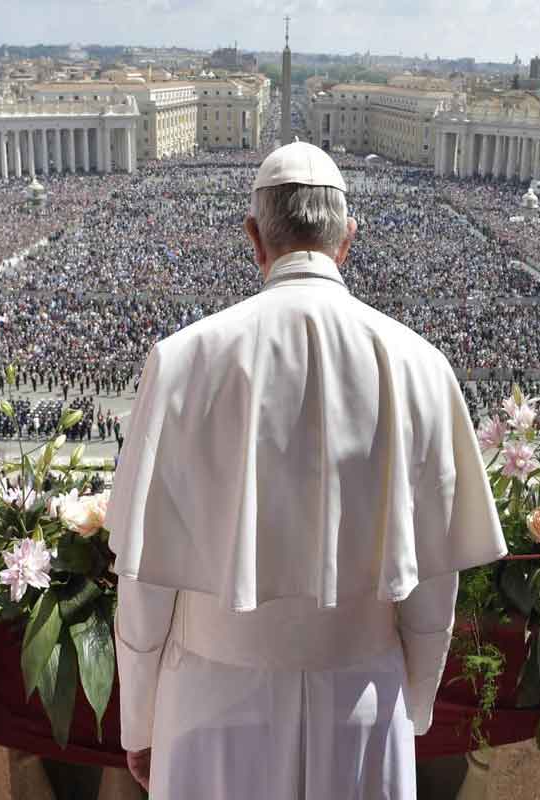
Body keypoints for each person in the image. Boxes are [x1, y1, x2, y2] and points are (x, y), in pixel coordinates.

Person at [107, 142, 506, 799]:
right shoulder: (422, 365)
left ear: (254, 238)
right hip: (362, 697)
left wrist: (140, 721)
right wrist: (414, 706)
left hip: (210, 700)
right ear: (348, 239)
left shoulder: (181, 360)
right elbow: (433, 591)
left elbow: (144, 585)